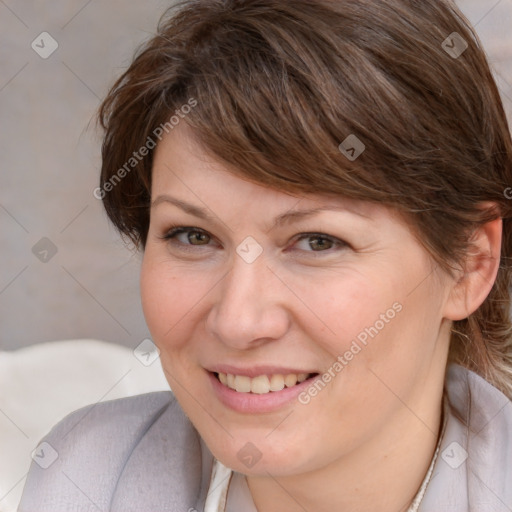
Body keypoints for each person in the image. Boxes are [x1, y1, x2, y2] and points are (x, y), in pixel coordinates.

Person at [18, 0, 512, 510]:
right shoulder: (86, 478)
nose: (238, 321)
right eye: (193, 236)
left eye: (318, 241)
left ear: (469, 266)